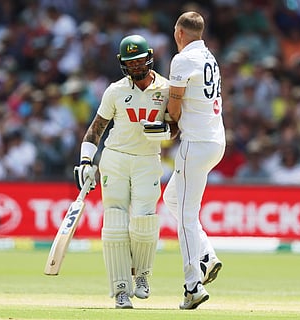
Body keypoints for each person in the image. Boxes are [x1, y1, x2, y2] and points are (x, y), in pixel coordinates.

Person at [73, 34, 172, 309]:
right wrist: (85, 161)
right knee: (115, 223)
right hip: (115, 158)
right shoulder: (115, 90)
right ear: (122, 64)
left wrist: (165, 131)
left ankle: (141, 275)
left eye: (140, 60)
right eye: (131, 62)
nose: (137, 66)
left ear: (149, 57)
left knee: (143, 221)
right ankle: (119, 290)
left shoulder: (166, 89)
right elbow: (96, 128)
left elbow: (177, 126)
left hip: (147, 160)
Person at [162, 11, 225, 310]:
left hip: (196, 143)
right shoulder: (209, 57)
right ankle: (207, 256)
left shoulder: (183, 58)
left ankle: (192, 286)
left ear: (179, 33)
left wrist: (169, 123)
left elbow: (175, 102)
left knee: (186, 215)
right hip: (215, 141)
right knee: (172, 198)